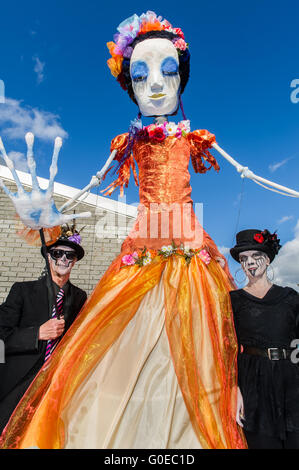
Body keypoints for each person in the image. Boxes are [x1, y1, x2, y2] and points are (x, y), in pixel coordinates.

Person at [0, 12, 246, 449]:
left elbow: (247, 173)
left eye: (168, 71)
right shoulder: (129, 142)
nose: (155, 84)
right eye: (141, 74)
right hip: (141, 253)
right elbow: (95, 182)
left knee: (196, 355)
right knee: (114, 357)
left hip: (190, 253)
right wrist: (49, 214)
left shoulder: (193, 137)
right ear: (129, 84)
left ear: (181, 79)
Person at [0, 226, 87, 434]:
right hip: (19, 383)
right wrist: (36, 333)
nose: (64, 259)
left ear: (74, 261)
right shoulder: (22, 291)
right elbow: (2, 335)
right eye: (58, 253)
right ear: (49, 257)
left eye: (70, 255)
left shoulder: (79, 297)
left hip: (56, 385)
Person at [230, 228, 299, 449]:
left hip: (291, 383)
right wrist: (234, 389)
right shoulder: (233, 301)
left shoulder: (290, 297)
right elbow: (226, 348)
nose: (250, 262)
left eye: (256, 256)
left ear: (267, 260)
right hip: (253, 386)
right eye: (244, 258)